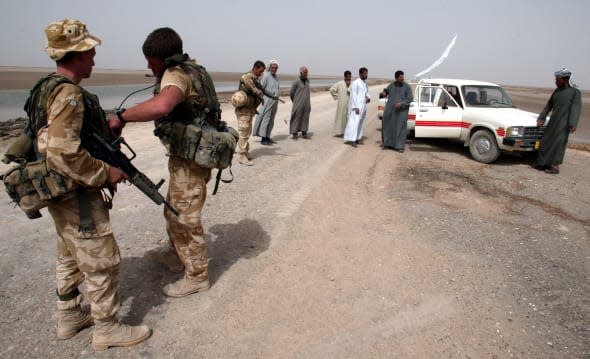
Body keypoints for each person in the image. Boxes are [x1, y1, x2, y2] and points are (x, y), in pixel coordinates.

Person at [31, 19, 151, 350]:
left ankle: (70, 315)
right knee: (101, 257)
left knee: (69, 251)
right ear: (77, 54)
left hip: (58, 190)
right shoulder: (69, 95)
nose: (95, 59)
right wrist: (105, 173)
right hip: (76, 191)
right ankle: (107, 327)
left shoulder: (47, 86)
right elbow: (63, 152)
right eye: (90, 52)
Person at [108, 27, 219, 298]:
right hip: (190, 156)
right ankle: (177, 255)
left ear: (165, 58)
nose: (148, 66)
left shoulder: (176, 73)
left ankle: (197, 275)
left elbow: (162, 105)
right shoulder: (193, 68)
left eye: (152, 61)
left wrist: (121, 118)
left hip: (192, 160)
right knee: (172, 210)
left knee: (184, 217)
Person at [535, 68, 582, 174]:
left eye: (557, 79)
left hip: (564, 123)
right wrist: (541, 118)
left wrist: (573, 124)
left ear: (565, 79)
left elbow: (576, 108)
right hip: (553, 121)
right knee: (546, 140)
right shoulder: (557, 91)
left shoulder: (575, 92)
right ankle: (543, 163)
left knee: (558, 143)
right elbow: (548, 106)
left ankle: (555, 167)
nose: (555, 81)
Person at [234, 60, 266, 165]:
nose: (261, 73)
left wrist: (260, 98)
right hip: (243, 110)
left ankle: (245, 151)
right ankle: (241, 155)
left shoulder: (255, 79)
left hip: (249, 109)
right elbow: (253, 88)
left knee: (247, 131)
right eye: (260, 71)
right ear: (255, 68)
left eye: (262, 72)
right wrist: (259, 92)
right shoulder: (247, 77)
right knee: (243, 132)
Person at [381, 70, 413, 152]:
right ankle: (387, 144)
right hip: (391, 111)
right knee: (388, 126)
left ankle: (399, 146)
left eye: (403, 78)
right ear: (396, 78)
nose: (403, 79)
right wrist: (384, 93)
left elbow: (410, 98)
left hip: (401, 112)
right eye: (401, 78)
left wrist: (401, 104)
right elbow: (386, 90)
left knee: (400, 128)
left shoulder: (407, 87)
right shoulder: (391, 85)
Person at [253, 60, 281, 145]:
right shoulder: (266, 76)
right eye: (272, 67)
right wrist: (261, 99)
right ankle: (263, 138)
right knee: (265, 119)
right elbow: (261, 88)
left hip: (274, 102)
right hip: (267, 101)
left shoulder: (276, 77)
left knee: (271, 120)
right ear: (269, 67)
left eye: (276, 68)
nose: (274, 69)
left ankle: (268, 137)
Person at [344, 67, 370, 147]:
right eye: (365, 73)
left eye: (367, 73)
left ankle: (358, 138)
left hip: (363, 106)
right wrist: (355, 107)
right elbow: (353, 95)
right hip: (357, 107)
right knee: (354, 123)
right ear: (360, 74)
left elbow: (367, 93)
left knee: (361, 123)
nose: (366, 75)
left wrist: (368, 98)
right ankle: (352, 139)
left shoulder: (365, 83)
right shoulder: (356, 83)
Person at [289, 66, 311, 139]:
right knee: (296, 117)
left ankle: (304, 132)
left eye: (307, 72)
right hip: (298, 103)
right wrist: (295, 101)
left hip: (307, 103)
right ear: (301, 73)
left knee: (305, 117)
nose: (306, 74)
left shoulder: (308, 81)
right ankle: (294, 133)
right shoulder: (296, 81)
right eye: (305, 72)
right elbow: (292, 93)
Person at [329, 70, 352, 137]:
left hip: (350, 105)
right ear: (344, 77)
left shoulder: (352, 84)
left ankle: (347, 133)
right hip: (341, 105)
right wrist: (337, 96)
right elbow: (331, 90)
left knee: (349, 119)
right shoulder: (340, 83)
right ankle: (340, 132)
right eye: (347, 77)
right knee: (341, 119)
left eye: (350, 77)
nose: (349, 79)